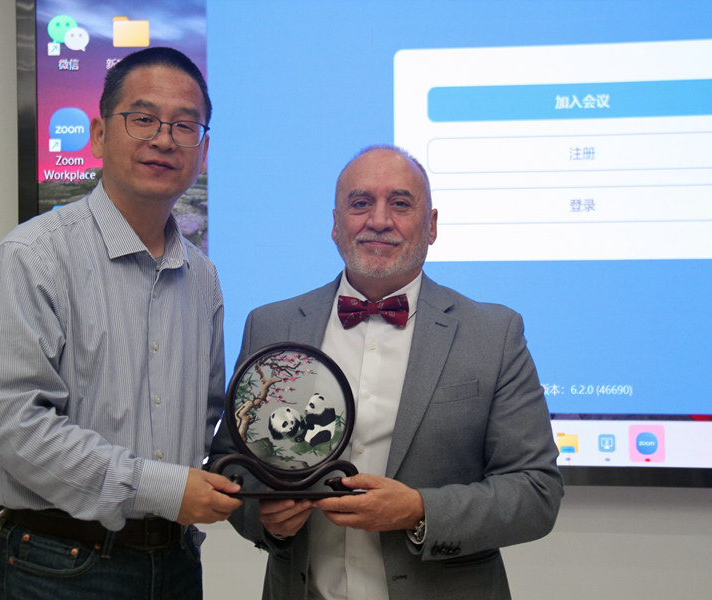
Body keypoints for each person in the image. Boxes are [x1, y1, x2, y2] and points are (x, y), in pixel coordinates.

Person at [210, 145, 563, 600]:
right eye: (360, 203)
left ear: (431, 225)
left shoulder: (493, 334)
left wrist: (419, 510)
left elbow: (535, 491)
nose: (378, 220)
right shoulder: (272, 325)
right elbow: (230, 465)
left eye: (400, 203)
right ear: (335, 224)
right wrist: (267, 519)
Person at [0, 47, 242, 600]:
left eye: (184, 125)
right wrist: (162, 488)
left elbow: (208, 414)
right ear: (98, 135)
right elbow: (17, 426)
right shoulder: (34, 256)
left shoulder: (203, 277)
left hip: (173, 562)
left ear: (203, 151)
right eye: (143, 118)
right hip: (56, 566)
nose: (164, 139)